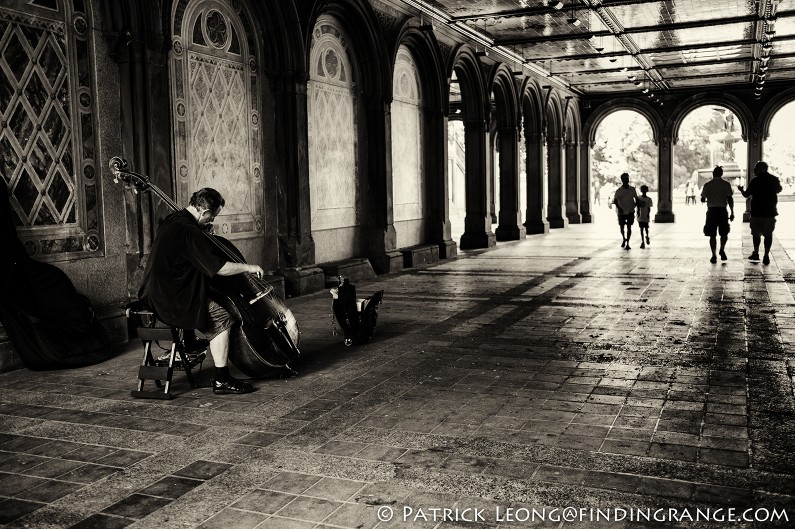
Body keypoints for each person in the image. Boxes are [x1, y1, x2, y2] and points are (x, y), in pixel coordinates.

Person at [139, 188, 264, 395]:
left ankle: (189, 343)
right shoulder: (190, 232)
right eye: (212, 216)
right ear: (204, 212)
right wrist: (249, 267)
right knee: (222, 317)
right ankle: (222, 379)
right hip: (172, 300)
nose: (211, 220)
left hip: (154, 292)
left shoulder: (174, 219)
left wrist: (203, 234)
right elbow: (220, 268)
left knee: (203, 293)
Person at [738, 161, 783, 266]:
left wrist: (741, 190)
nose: (754, 170)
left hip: (757, 212)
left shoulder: (755, 181)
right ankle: (766, 255)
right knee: (768, 234)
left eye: (756, 168)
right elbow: (779, 189)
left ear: (760, 169)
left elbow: (746, 195)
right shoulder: (773, 179)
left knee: (756, 234)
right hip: (770, 211)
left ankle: (756, 253)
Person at [700, 166, 735, 264]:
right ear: (721, 174)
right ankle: (722, 249)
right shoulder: (726, 184)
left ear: (713, 174)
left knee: (712, 235)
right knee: (724, 233)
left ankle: (714, 255)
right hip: (722, 211)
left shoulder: (707, 185)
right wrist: (732, 212)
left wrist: (708, 199)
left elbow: (703, 198)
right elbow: (730, 199)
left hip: (711, 211)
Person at [609, 173, 639, 250]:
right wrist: (620, 208)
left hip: (630, 211)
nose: (627, 180)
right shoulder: (618, 191)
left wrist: (636, 206)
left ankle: (627, 242)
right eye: (625, 179)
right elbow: (615, 201)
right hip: (621, 212)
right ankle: (623, 238)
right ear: (622, 180)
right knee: (622, 227)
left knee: (629, 227)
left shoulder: (632, 189)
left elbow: (636, 199)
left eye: (627, 178)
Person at [637, 185, 653, 249]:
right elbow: (638, 207)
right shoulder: (639, 198)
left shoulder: (649, 199)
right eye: (642, 190)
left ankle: (646, 236)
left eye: (644, 190)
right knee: (641, 229)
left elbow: (649, 208)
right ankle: (643, 241)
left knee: (646, 228)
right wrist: (638, 213)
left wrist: (648, 215)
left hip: (645, 215)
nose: (643, 191)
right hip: (640, 216)